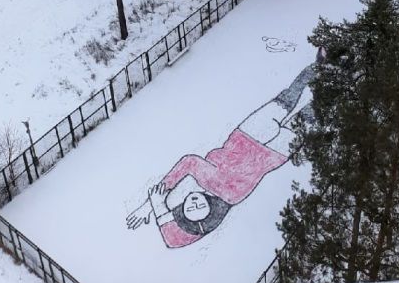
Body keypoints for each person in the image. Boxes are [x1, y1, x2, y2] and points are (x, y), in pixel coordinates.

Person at [126, 64, 314, 248]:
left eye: (189, 208)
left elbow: (174, 239)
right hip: (253, 138)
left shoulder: (232, 199)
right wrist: (154, 205)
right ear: (211, 212)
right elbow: (189, 162)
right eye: (199, 207)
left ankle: (323, 76)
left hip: (272, 151)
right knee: (289, 101)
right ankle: (319, 70)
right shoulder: (211, 181)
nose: (193, 203)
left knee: (302, 109)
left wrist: (157, 209)